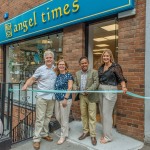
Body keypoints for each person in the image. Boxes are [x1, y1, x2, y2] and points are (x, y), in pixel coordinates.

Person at [22, 50, 56, 150]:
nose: (49, 59)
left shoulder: (56, 69)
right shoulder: (40, 69)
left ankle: (45, 134)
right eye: (47, 58)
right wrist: (25, 85)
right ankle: (36, 139)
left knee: (48, 117)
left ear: (53, 59)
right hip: (42, 97)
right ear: (44, 59)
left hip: (52, 97)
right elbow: (32, 79)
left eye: (50, 57)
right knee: (40, 119)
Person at [98, 49, 127, 144]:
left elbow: (121, 78)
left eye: (107, 56)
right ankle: (105, 133)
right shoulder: (101, 67)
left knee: (107, 114)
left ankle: (108, 137)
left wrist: (123, 87)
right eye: (104, 56)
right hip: (101, 90)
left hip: (110, 90)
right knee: (102, 113)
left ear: (111, 57)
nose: (105, 57)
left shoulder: (115, 66)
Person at [73, 56, 99, 146]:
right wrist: (75, 87)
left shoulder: (94, 72)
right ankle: (85, 131)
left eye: (85, 63)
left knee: (92, 116)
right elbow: (74, 83)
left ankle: (93, 135)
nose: (84, 64)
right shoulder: (77, 73)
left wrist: (89, 90)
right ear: (80, 65)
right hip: (82, 97)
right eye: (82, 63)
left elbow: (96, 83)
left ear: (88, 63)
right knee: (83, 115)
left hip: (91, 96)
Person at [54, 59, 73, 145]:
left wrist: (65, 98)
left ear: (65, 66)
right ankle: (66, 128)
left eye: (63, 64)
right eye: (59, 64)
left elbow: (70, 87)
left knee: (64, 118)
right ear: (57, 66)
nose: (61, 66)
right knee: (58, 116)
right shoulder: (57, 75)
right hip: (57, 99)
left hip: (65, 99)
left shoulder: (69, 75)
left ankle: (63, 136)